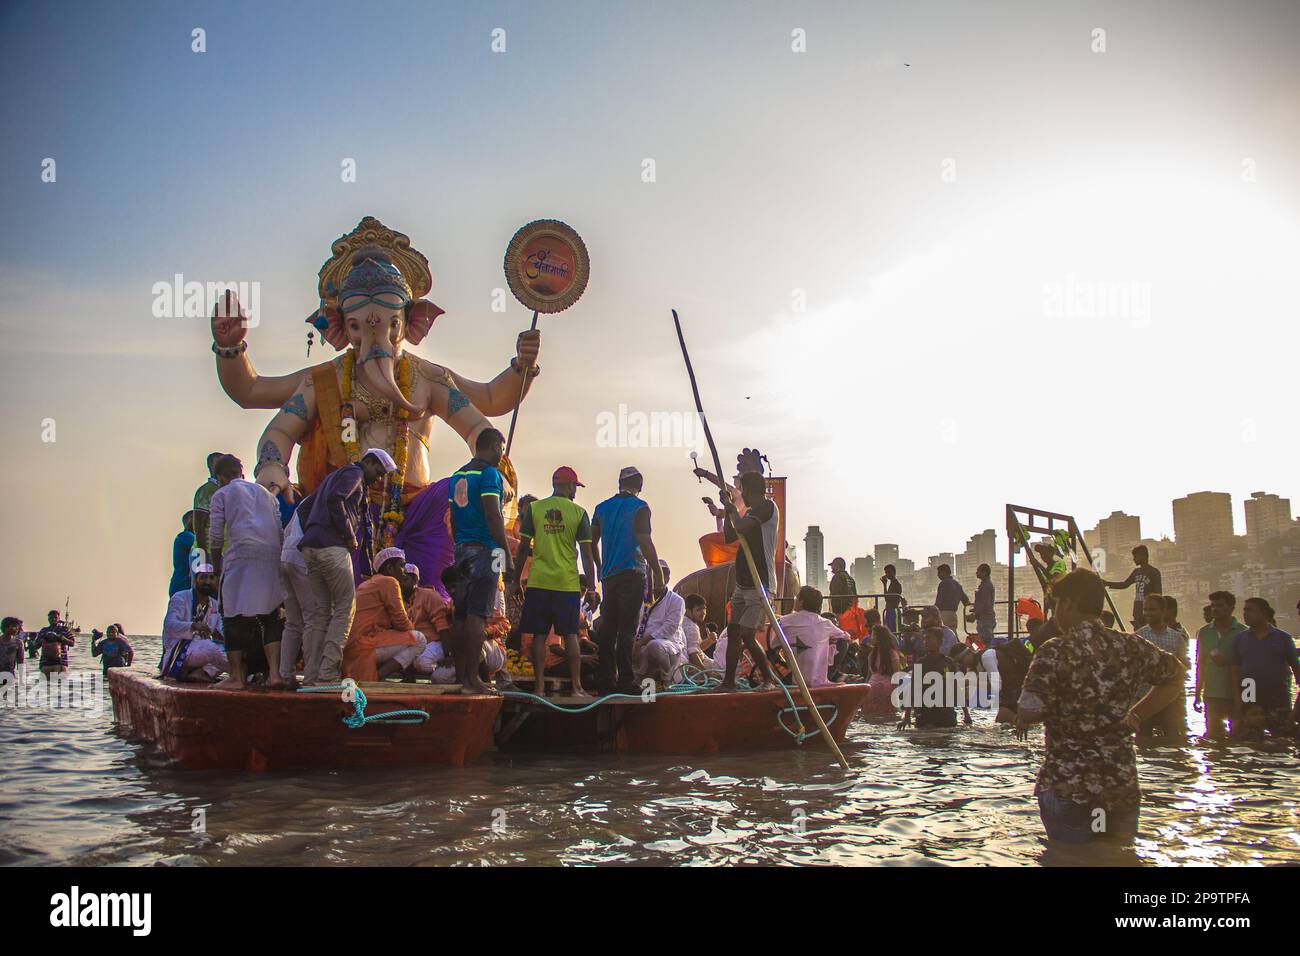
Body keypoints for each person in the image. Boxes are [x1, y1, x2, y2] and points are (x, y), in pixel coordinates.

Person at [1016, 569, 1185, 844]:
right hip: (1119, 785)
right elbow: (1176, 676)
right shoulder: (1130, 646)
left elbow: (1028, 710)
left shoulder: (1055, 651)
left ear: (1069, 604)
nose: (1055, 612)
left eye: (1056, 605)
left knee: (1069, 863)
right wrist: (1136, 714)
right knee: (1119, 859)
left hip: (1070, 786)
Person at [298, 448, 395, 684]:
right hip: (332, 547)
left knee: (322, 613)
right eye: (379, 472)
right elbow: (336, 499)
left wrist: (315, 530)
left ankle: (311, 675)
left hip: (311, 548)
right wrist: (347, 535)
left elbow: (303, 509)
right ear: (369, 462)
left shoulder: (335, 476)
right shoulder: (355, 474)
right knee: (345, 608)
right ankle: (328, 673)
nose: (378, 479)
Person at [510, 466, 599, 698]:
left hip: (538, 581)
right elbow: (587, 554)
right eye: (574, 487)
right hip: (566, 583)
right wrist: (591, 587)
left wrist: (515, 580)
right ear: (569, 486)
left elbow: (521, 549)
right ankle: (578, 688)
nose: (575, 492)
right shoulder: (579, 513)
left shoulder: (535, 509)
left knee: (539, 635)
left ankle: (539, 688)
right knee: (570, 634)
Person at [208, 454, 287, 690]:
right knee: (270, 614)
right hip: (271, 555)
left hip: (240, 555)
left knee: (231, 614)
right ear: (241, 473)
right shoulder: (266, 494)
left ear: (220, 477)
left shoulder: (221, 494)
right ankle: (274, 674)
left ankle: (235, 677)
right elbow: (279, 529)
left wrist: (216, 568)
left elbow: (215, 536)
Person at [448, 428, 513, 695]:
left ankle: (461, 678)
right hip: (486, 550)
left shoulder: (457, 476)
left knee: (461, 615)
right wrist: (506, 553)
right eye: (501, 448)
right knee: (478, 615)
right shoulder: (489, 475)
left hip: (461, 549)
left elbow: (453, 515)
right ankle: (473, 679)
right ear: (494, 446)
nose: (502, 454)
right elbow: (494, 516)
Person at [591, 466, 664, 694]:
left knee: (608, 628)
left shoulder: (601, 508)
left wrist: (600, 566)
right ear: (639, 486)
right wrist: (658, 573)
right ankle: (625, 680)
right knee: (627, 629)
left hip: (609, 576)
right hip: (632, 573)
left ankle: (605, 680)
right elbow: (644, 540)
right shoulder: (640, 508)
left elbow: (591, 542)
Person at [716, 471, 781, 691]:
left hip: (760, 584)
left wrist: (733, 507)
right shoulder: (750, 511)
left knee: (747, 633)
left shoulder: (767, 508)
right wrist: (727, 510)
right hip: (743, 584)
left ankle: (769, 678)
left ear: (752, 490)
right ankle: (728, 682)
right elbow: (730, 536)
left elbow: (741, 528)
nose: (741, 494)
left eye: (743, 490)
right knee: (733, 631)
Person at [342, 547, 427, 682]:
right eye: (402, 566)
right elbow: (401, 622)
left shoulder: (368, 583)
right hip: (364, 642)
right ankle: (378, 676)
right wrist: (411, 632)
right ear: (389, 569)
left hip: (353, 644)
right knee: (420, 640)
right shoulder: (389, 582)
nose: (405, 571)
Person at [1223, 597, 1299, 736]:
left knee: (1280, 739)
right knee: (1249, 739)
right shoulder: (1239, 640)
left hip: (1277, 695)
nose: (1245, 613)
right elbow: (1234, 673)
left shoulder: (1283, 638)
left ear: (1263, 613)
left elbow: (1296, 669)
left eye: (1250, 610)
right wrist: (1237, 705)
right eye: (1244, 610)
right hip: (1249, 691)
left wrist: (1296, 709)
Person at [1133, 593, 1190, 736]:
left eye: (1152, 610)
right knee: (1143, 739)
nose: (1147, 613)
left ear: (1163, 611)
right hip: (1144, 697)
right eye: (1145, 609)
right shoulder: (1139, 636)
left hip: (1170, 698)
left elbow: (1183, 666)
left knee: (1173, 737)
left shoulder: (1177, 637)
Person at [160, 564, 228, 682]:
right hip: (178, 651)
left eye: (212, 578)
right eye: (203, 577)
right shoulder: (180, 597)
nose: (207, 581)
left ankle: (202, 673)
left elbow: (222, 630)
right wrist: (193, 625)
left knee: (232, 650)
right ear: (195, 580)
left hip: (202, 650)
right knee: (212, 649)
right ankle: (245, 675)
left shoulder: (214, 604)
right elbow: (169, 625)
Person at [279, 490, 318, 684]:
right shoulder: (324, 500)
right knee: (313, 618)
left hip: (286, 556)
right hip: (302, 557)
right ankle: (312, 677)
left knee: (293, 621)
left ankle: (285, 674)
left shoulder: (305, 503)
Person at [1195, 590, 1245, 739]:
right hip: (1212, 693)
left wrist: (1249, 697)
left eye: (1220, 605)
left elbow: (1248, 667)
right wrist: (1197, 693)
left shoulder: (1242, 632)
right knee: (1213, 737)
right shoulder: (1204, 632)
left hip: (1237, 693)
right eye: (1213, 606)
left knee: (1239, 735)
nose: (1215, 609)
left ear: (1231, 608)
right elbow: (1201, 663)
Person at [777, 586, 849, 688]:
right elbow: (846, 638)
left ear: (801, 602)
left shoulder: (784, 621)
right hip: (818, 680)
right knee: (842, 642)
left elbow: (773, 648)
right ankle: (831, 674)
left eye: (796, 598)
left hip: (795, 678)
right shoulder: (825, 623)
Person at [632, 560, 687, 686]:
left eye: (656, 577)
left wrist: (640, 642)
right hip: (641, 647)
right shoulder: (641, 598)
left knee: (654, 646)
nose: (651, 580)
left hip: (666, 648)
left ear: (666, 579)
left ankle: (667, 679)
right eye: (649, 577)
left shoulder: (676, 600)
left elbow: (669, 629)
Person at [901, 627, 958, 728]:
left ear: (940, 641)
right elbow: (913, 689)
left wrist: (966, 714)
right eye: (924, 639)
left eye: (929, 638)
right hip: (926, 716)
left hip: (946, 716)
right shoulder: (921, 663)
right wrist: (907, 716)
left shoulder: (948, 663)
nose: (925, 642)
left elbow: (956, 688)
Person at [407, 564, 456, 682]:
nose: (400, 584)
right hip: (416, 645)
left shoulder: (428, 595)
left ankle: (458, 669)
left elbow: (442, 626)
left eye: (405, 579)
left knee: (422, 663)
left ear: (415, 580)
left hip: (436, 643)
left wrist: (448, 655)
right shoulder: (399, 600)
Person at [1104, 545, 1162, 630]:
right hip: (1138, 609)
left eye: (1136, 556)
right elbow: (1124, 584)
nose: (1134, 559)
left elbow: (1159, 594)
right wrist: (1107, 583)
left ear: (1143, 556)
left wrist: (1156, 612)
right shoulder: (1136, 572)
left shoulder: (1154, 572)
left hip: (1149, 611)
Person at [191, 451, 226, 560]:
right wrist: (203, 557)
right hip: (207, 553)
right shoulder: (206, 491)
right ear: (212, 465)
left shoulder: (226, 490)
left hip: (223, 553)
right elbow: (199, 526)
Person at [862, 625, 901, 718]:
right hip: (876, 689)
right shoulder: (873, 654)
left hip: (876, 689)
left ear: (879, 637)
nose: (870, 637)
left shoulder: (889, 653)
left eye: (873, 635)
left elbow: (868, 676)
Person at [934, 564, 970, 634]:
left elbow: (939, 601)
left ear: (944, 572)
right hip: (953, 614)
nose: (938, 575)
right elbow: (966, 601)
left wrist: (933, 610)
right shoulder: (957, 584)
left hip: (944, 614)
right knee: (952, 634)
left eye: (939, 573)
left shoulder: (943, 583)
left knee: (943, 635)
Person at [36, 610, 75, 676]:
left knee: (60, 685)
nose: (53, 619)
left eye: (55, 618)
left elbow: (72, 643)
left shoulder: (64, 629)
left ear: (59, 618)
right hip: (45, 664)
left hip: (60, 663)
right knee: (44, 685)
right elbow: (36, 646)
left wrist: (60, 637)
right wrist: (44, 638)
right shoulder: (44, 630)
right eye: (51, 618)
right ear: (48, 619)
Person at [682, 594, 712, 670]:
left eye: (704, 608)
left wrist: (709, 641)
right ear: (688, 611)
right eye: (698, 610)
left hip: (691, 665)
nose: (703, 612)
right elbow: (693, 654)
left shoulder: (685, 621)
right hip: (693, 667)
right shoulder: (691, 627)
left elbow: (697, 647)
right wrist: (706, 674)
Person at [170, 511, 196, 596]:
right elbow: (203, 547)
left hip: (187, 587)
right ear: (190, 520)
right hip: (182, 587)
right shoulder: (185, 536)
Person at [972, 563, 998, 646]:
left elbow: (985, 604)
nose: (976, 573)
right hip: (984, 617)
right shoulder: (984, 585)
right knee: (983, 639)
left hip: (986, 618)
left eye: (978, 571)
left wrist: (975, 614)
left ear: (984, 573)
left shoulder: (986, 586)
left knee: (986, 641)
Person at [0, 617, 25, 682]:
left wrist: (21, 678)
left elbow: (20, 662)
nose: (17, 629)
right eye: (14, 626)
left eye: (17, 627)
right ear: (5, 627)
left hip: (9, 675)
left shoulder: (18, 643)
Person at [880, 564, 904, 632]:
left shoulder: (896, 584)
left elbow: (888, 599)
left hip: (894, 611)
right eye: (886, 572)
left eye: (889, 572)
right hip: (889, 610)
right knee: (889, 631)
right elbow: (887, 598)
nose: (887, 574)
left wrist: (884, 585)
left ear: (894, 572)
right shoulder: (891, 584)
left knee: (895, 632)